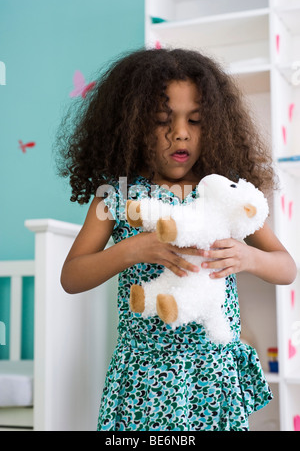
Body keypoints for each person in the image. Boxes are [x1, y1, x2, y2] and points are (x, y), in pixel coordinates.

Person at [56, 48, 297, 431]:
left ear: (214, 125)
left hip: (211, 371)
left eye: (196, 120)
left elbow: (287, 268)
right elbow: (72, 276)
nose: (180, 132)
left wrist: (248, 258)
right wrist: (132, 249)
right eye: (161, 120)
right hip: (145, 376)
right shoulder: (116, 195)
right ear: (131, 124)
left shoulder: (223, 192)